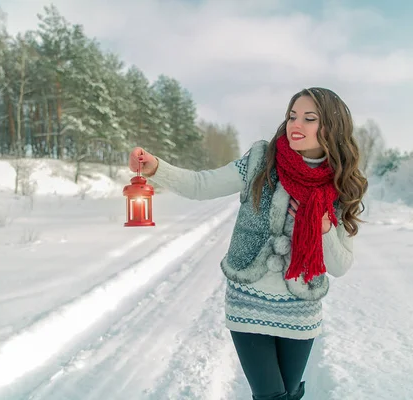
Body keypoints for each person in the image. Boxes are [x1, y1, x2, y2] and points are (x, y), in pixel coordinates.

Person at [128, 87, 368, 400]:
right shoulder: (261, 162)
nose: (297, 124)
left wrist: (323, 228)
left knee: (290, 393)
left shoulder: (341, 186)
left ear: (333, 129)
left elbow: (340, 266)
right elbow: (202, 184)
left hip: (300, 309)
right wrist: (156, 168)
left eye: (310, 118)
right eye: (293, 115)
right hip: (249, 300)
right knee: (271, 396)